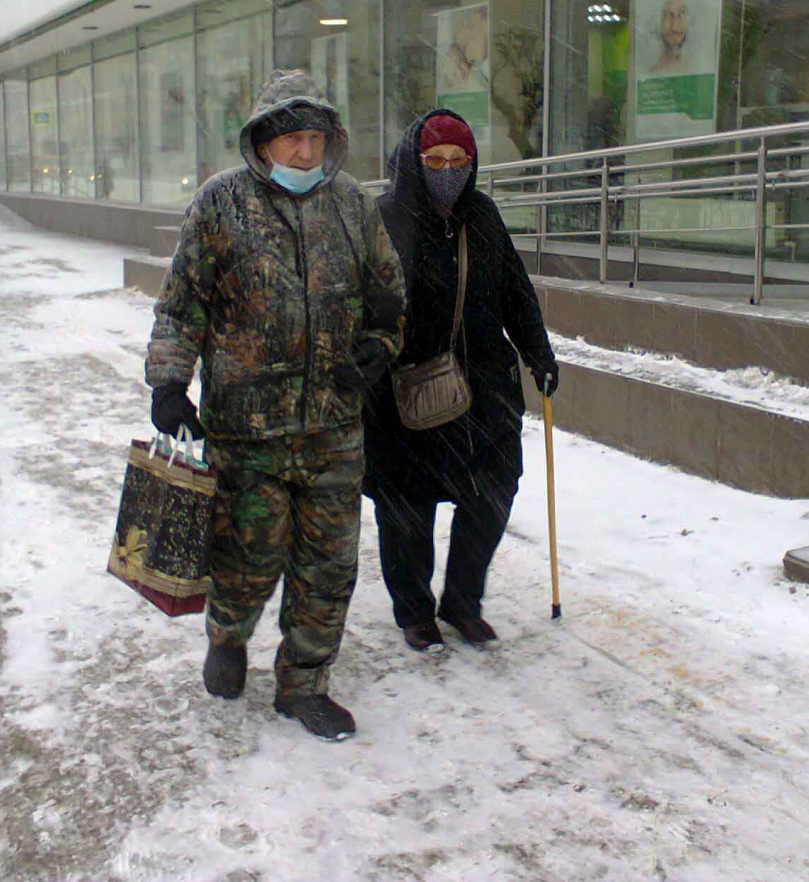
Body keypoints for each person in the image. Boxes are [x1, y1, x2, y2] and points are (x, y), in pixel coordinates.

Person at [145, 70, 405, 741]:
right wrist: (170, 385)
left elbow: (387, 300)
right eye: (292, 136)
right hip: (246, 429)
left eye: (316, 137)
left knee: (329, 566)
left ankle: (304, 684)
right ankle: (228, 636)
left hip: (333, 428)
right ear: (262, 140)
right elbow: (183, 304)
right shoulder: (219, 205)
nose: (305, 151)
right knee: (245, 557)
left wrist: (378, 348)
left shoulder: (352, 206)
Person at [363, 110, 559, 652]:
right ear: (412, 162)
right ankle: (415, 611)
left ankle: (463, 601)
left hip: (484, 388)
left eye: (458, 162)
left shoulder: (483, 216)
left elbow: (515, 290)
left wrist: (537, 352)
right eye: (434, 161)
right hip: (404, 388)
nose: (447, 171)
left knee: (494, 489)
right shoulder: (382, 219)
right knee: (406, 508)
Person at [650, 0, 690, 74]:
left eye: (682, 13)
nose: (675, 27)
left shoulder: (697, 69)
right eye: (667, 15)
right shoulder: (650, 75)